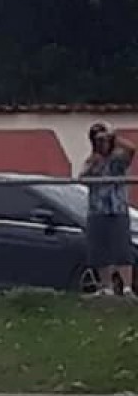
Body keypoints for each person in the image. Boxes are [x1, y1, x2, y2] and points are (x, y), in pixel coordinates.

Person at [80, 123, 135, 298]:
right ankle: (106, 287)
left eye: (104, 140)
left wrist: (114, 136)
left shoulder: (118, 159)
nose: (101, 143)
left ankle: (127, 288)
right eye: (98, 140)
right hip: (97, 210)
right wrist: (92, 164)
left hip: (117, 209)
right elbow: (82, 178)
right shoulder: (92, 160)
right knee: (100, 250)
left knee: (122, 250)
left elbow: (132, 149)